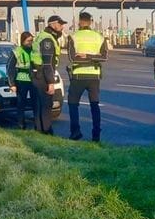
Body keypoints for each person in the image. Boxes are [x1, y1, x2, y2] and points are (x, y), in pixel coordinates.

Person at [66, 12, 107, 141]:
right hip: (94, 76)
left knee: (73, 104)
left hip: (78, 75)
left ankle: (75, 132)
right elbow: (104, 57)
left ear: (79, 22)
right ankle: (96, 135)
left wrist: (84, 56)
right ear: (91, 22)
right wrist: (92, 58)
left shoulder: (73, 37)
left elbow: (72, 58)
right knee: (94, 105)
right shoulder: (99, 37)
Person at [31, 15, 67, 135]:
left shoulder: (43, 36)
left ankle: (39, 129)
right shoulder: (47, 40)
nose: (62, 26)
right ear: (52, 24)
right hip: (43, 75)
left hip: (37, 74)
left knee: (39, 104)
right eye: (60, 24)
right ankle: (46, 131)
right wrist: (51, 83)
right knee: (46, 105)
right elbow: (47, 63)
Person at [7, 32, 37, 130]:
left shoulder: (35, 50)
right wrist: (12, 84)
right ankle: (21, 124)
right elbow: (9, 68)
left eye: (31, 40)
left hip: (34, 79)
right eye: (28, 41)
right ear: (22, 40)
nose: (30, 43)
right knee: (21, 103)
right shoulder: (17, 51)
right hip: (22, 79)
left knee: (36, 102)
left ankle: (38, 124)